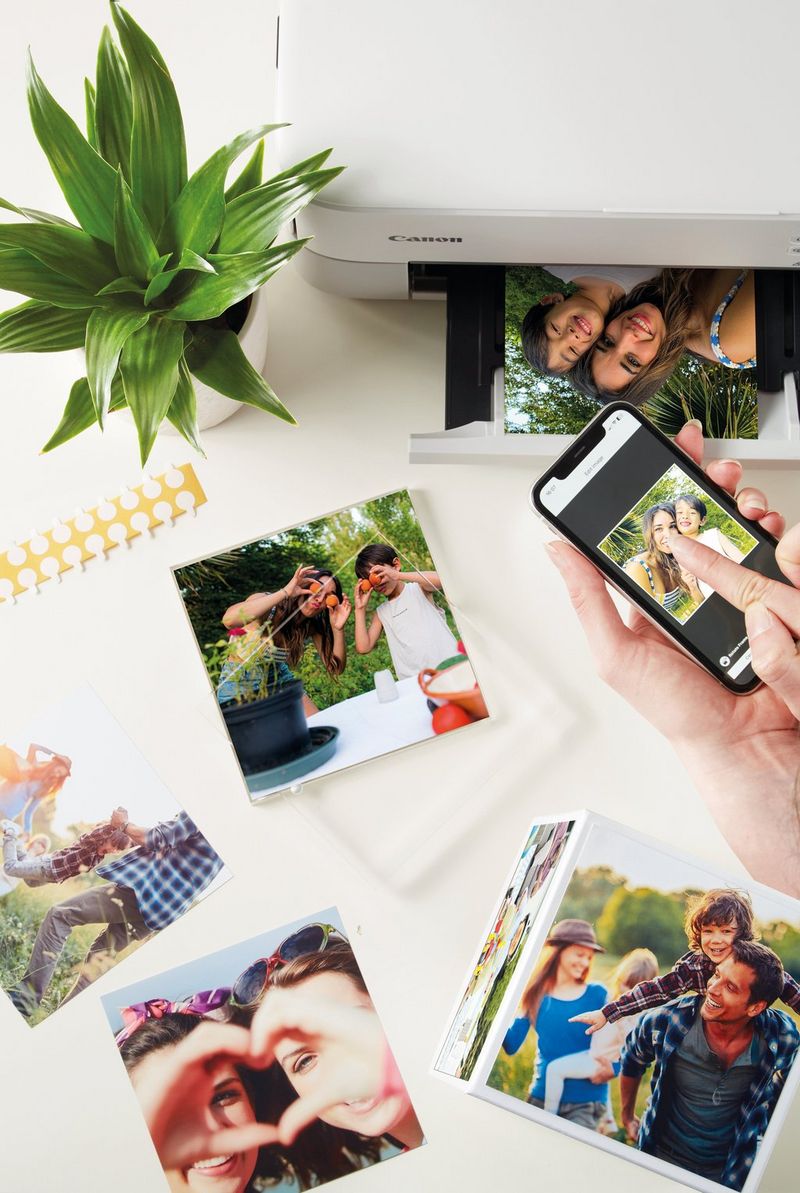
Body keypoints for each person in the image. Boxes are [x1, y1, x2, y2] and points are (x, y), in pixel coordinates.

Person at [545, 419, 800, 897]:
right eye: (660, 526)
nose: (669, 532)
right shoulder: (647, 569)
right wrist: (724, 747)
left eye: (676, 521)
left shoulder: (704, 550)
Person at [619, 940, 798, 1190]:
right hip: (659, 1158)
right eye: (717, 975)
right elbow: (632, 1057)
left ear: (755, 1007)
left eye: (731, 987)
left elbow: (790, 1083)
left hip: (729, 1172)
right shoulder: (666, 1020)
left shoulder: (781, 1036)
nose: (713, 988)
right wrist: (627, 1117)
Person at [7, 809, 223, 1017]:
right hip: (163, 912)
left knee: (60, 915)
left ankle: (25, 999)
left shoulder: (203, 812)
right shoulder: (225, 837)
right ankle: (63, 1017)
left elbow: (157, 838)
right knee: (99, 958)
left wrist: (123, 824)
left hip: (143, 891)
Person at [572, 889, 800, 1039]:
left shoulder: (756, 961)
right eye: (708, 931)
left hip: (752, 1025)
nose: (716, 939)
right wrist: (607, 1012)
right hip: (712, 1024)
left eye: (726, 931)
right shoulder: (694, 966)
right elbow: (657, 990)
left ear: (741, 934)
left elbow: (789, 989)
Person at [501, 919, 612, 1129]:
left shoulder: (599, 995)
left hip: (586, 1103)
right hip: (541, 1098)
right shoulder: (535, 995)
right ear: (557, 952)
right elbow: (511, 1044)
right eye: (579, 954)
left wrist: (614, 1068)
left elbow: (619, 1042)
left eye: (589, 957)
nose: (585, 963)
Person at [544, 948, 658, 1131]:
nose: (626, 992)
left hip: (598, 1061)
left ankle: (547, 1114)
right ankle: (609, 1121)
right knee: (564, 1071)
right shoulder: (611, 999)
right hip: (595, 1053)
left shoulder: (637, 1016)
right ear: (620, 978)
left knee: (554, 1070)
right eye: (625, 984)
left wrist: (621, 1020)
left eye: (634, 989)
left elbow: (633, 1043)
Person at [220, 564, 351, 716]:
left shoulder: (310, 625)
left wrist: (338, 628)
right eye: (317, 589)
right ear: (304, 585)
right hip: (239, 682)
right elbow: (229, 620)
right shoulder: (269, 606)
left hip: (278, 678)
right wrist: (285, 592)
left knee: (317, 721)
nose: (320, 598)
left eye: (329, 596)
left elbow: (335, 668)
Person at [569, 268, 697, 406]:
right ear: (656, 369)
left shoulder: (628, 274)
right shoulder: (713, 334)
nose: (627, 335)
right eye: (632, 361)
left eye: (608, 342)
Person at [520, 266, 657, 375]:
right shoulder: (649, 313)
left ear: (552, 300)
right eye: (573, 350)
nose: (572, 335)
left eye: (556, 329)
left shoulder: (556, 259)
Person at [353, 544, 458, 678]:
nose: (376, 582)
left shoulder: (418, 589)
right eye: (369, 580)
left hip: (449, 668)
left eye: (378, 573)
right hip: (415, 681)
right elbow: (363, 647)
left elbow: (442, 580)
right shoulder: (381, 612)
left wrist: (398, 575)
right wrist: (359, 609)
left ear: (396, 564)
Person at [2, 809, 130, 886]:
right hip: (49, 866)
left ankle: (17, 844)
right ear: (107, 837)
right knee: (10, 868)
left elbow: (78, 868)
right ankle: (11, 833)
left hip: (54, 876)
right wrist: (113, 826)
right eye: (114, 845)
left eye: (118, 849)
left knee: (29, 881)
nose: (114, 850)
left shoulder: (99, 857)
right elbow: (95, 835)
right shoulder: (90, 844)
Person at [623, 503, 704, 615]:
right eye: (658, 529)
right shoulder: (637, 568)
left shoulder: (677, 557)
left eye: (672, 526)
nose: (668, 535)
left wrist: (693, 587)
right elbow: (653, 618)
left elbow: (702, 601)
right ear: (650, 534)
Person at [0, 742, 72, 834]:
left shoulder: (45, 789)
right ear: (55, 764)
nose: (57, 774)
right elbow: (33, 746)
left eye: (60, 775)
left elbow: (29, 811)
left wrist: (27, 830)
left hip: (8, 814)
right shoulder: (32, 765)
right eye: (58, 770)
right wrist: (54, 753)